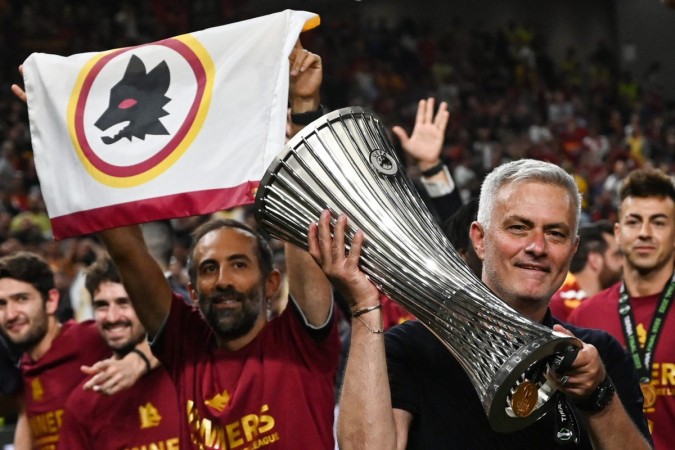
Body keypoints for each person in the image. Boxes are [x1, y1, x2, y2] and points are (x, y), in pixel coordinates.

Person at [94, 43, 340, 449]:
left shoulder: (302, 342)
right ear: (191, 291)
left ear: (272, 282)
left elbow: (305, 223)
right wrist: (74, 135)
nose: (222, 280)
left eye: (239, 265)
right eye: (208, 269)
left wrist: (305, 105)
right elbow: (126, 250)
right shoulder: (185, 345)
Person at [310, 159, 652, 449]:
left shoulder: (598, 356)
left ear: (573, 250)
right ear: (480, 239)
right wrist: (363, 306)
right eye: (518, 228)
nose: (537, 246)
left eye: (556, 234)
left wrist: (599, 399)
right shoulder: (409, 349)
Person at [568, 167, 675, 450]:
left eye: (659, 222)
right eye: (634, 221)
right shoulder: (584, 316)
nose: (644, 233)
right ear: (618, 232)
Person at [0, 252, 151, 449]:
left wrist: (139, 359)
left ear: (51, 301)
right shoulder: (26, 367)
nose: (10, 314)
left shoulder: (90, 338)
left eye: (21, 299)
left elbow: (167, 337)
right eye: (1, 304)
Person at [59, 256, 179, 449]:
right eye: (102, 305)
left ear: (147, 306)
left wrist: (139, 359)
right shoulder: (84, 400)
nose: (112, 317)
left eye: (124, 303)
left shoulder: (188, 371)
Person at [550, 220, 623, 321]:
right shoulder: (559, 306)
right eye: (617, 255)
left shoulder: (618, 304)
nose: (623, 263)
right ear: (595, 260)